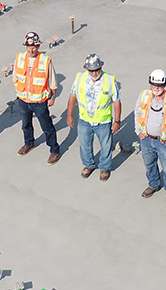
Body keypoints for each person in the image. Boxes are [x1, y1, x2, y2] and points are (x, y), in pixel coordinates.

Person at [66, 53, 121, 181]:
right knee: (85, 144)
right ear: (87, 69)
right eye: (91, 70)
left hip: (103, 121)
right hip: (85, 120)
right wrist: (69, 115)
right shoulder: (80, 78)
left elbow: (117, 101)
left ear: (101, 67)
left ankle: (104, 167)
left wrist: (117, 121)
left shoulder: (109, 79)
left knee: (106, 146)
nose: (95, 73)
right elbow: (73, 96)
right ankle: (88, 165)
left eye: (97, 70)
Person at [134, 69, 166, 210]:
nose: (156, 88)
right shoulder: (144, 95)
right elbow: (137, 112)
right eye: (154, 84)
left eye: (159, 85)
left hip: (163, 142)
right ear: (150, 83)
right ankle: (153, 185)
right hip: (146, 139)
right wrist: (138, 131)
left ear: (164, 84)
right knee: (149, 165)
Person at [12, 31, 60, 165]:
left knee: (47, 127)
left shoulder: (45, 61)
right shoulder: (20, 57)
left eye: (34, 47)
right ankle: (29, 143)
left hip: (39, 102)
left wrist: (52, 97)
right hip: (22, 100)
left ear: (38, 46)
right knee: (26, 125)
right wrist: (18, 90)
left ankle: (54, 150)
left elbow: (53, 81)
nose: (31, 49)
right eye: (29, 46)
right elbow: (15, 76)